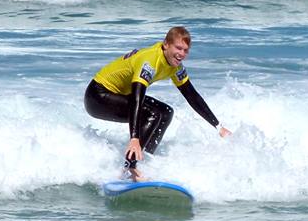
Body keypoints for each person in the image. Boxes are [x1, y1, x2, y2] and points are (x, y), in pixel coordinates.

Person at [84, 26, 231, 180]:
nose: (181, 54)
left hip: (119, 95)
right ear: (166, 44)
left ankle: (142, 162)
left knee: (166, 112)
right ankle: (129, 169)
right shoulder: (150, 61)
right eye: (178, 48)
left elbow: (192, 96)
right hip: (98, 96)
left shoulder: (175, 67)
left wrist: (218, 127)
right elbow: (137, 99)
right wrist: (134, 138)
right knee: (152, 114)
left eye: (186, 50)